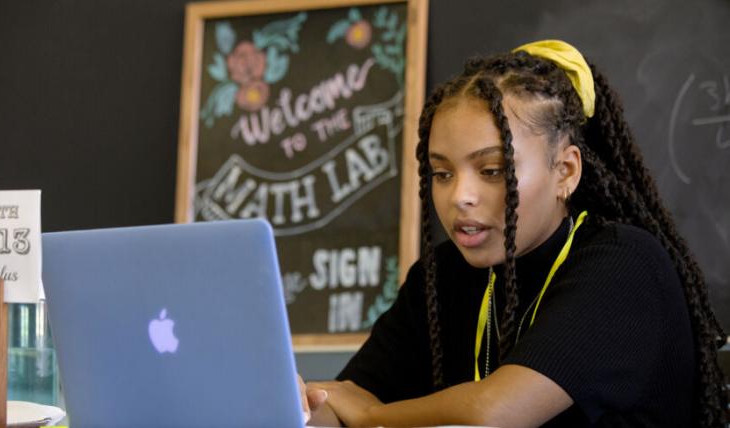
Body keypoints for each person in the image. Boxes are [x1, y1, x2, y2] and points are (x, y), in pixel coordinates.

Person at [297, 40, 728, 427]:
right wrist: (305, 405)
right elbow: (340, 404)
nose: (459, 196)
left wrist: (373, 416)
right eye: (442, 173)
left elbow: (495, 413)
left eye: (492, 170)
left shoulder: (624, 264)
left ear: (566, 171)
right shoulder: (442, 275)